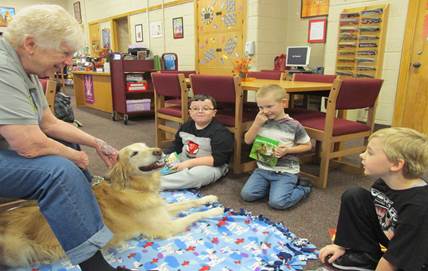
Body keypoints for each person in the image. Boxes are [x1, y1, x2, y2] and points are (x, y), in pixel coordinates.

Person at [0, 5, 133, 271]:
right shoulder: (3, 68)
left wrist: (95, 143)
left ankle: (77, 227)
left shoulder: (25, 68)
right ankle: (95, 265)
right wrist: (76, 157)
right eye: (65, 52)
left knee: (69, 149)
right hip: (14, 144)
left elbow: (48, 123)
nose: (69, 62)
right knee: (60, 171)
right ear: (30, 44)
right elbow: (28, 144)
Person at [319, 127, 428, 271]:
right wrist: (341, 244)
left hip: (414, 253)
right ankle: (366, 257)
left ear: (396, 164)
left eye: (369, 152)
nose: (361, 155)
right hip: (393, 235)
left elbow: (395, 258)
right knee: (354, 196)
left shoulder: (418, 207)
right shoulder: (385, 181)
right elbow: (371, 212)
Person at [240, 84, 312, 209]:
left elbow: (307, 145)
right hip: (263, 169)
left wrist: (288, 150)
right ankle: (274, 188)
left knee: (277, 203)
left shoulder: (294, 125)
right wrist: (256, 124)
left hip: (285, 171)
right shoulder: (261, 120)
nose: (265, 111)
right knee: (247, 195)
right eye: (261, 107)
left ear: (284, 103)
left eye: (269, 106)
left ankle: (303, 188)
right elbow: (247, 140)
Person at [160, 94, 234, 190]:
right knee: (159, 163)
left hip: (209, 165)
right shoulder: (185, 126)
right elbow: (177, 146)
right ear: (190, 112)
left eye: (206, 109)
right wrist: (164, 156)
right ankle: (149, 178)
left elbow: (219, 159)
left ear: (214, 112)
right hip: (183, 159)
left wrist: (188, 164)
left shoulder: (220, 132)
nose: (200, 111)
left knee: (196, 176)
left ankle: (156, 184)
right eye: (195, 109)